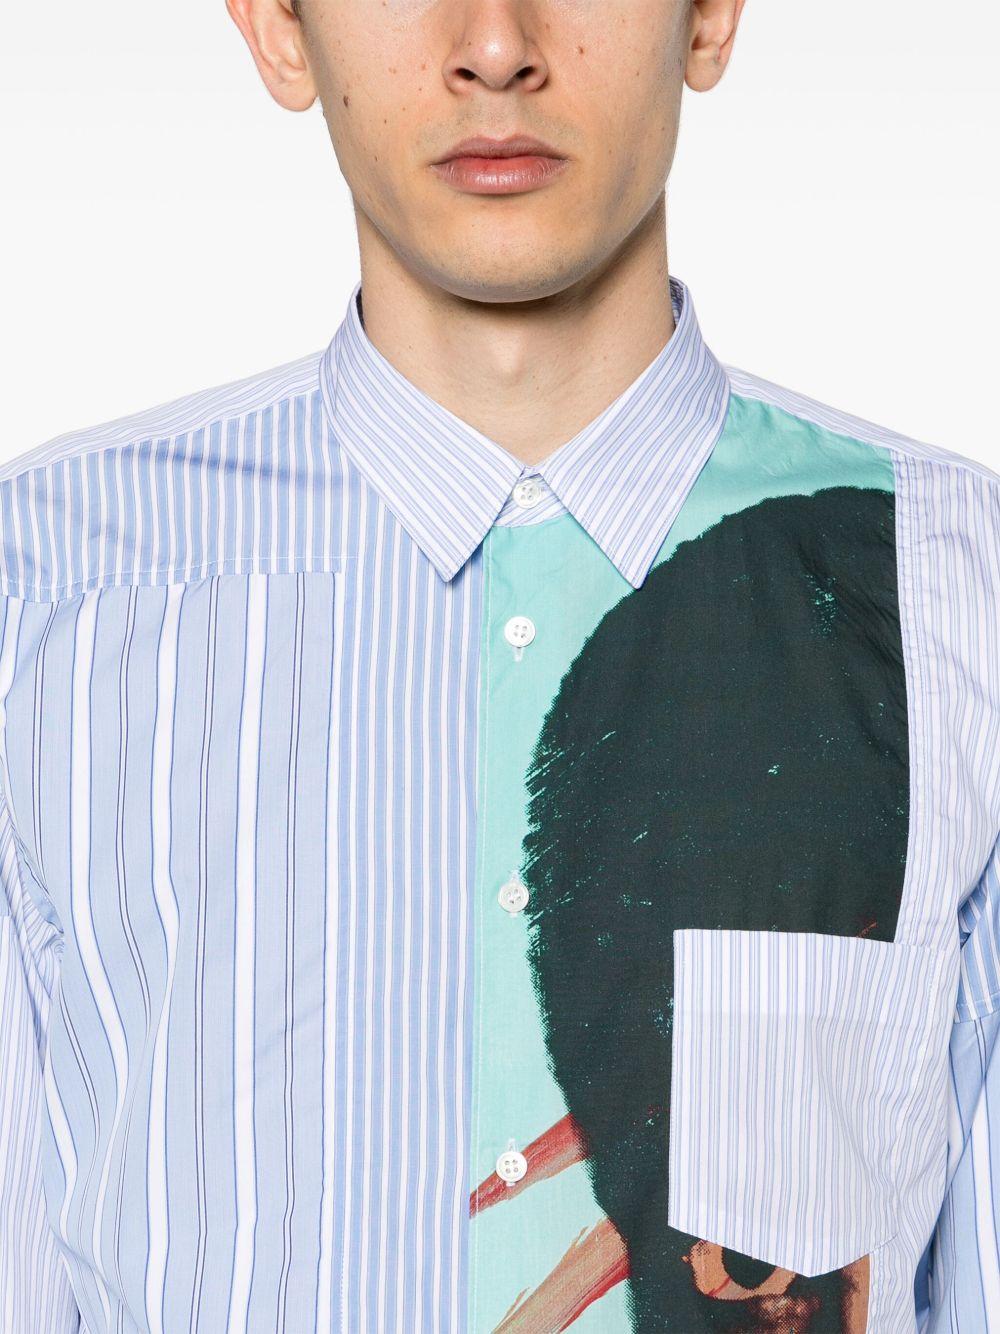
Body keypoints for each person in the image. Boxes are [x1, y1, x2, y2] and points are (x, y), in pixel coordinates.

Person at [0, 0, 997, 1329]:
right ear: (280, 30)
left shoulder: (953, 590)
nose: (493, 44)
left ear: (710, 16)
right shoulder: (44, 599)